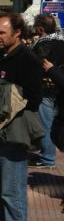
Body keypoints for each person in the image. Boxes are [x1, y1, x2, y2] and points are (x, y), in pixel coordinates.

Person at [0, 13, 43, 221]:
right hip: (1, 130)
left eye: (1, 32)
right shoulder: (5, 56)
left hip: (15, 131)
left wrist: (3, 93)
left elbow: (34, 95)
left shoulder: (26, 59)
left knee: (12, 189)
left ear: (17, 33)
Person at [30, 13, 64, 168]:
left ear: (40, 28)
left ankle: (48, 157)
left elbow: (37, 65)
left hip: (47, 89)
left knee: (45, 123)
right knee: (54, 123)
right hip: (60, 87)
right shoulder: (61, 41)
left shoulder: (42, 44)